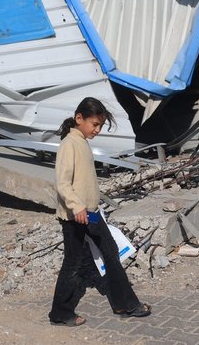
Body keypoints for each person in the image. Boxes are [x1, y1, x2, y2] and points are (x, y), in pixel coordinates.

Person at [48, 97, 151, 327]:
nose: (98, 129)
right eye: (95, 124)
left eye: (101, 126)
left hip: (90, 213)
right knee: (74, 264)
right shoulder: (69, 144)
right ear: (79, 119)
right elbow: (62, 183)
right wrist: (77, 207)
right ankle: (60, 312)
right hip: (77, 216)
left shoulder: (81, 141)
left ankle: (124, 304)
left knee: (110, 252)